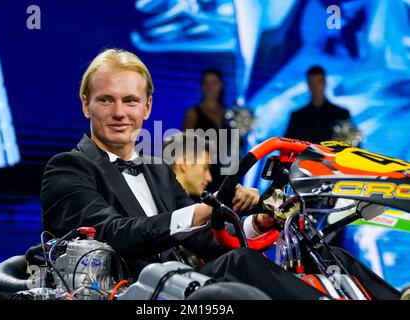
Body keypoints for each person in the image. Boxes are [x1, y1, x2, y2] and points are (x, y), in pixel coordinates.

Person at [41, 49, 399, 300]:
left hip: (187, 286)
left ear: (147, 107)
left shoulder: (157, 170)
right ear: (85, 102)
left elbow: (207, 240)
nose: (120, 112)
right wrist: (197, 213)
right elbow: (112, 234)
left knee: (317, 251)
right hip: (137, 292)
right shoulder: (68, 167)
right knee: (240, 263)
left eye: (130, 101)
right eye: (106, 100)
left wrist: (257, 223)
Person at [182, 69, 230, 192]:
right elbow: (186, 146)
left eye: (213, 82)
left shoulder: (230, 114)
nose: (210, 87)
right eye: (206, 83)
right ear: (202, 86)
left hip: (227, 174)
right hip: (203, 174)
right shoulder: (193, 114)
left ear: (221, 85)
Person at [284, 66, 353, 144]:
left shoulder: (341, 114)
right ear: (308, 85)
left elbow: (354, 148)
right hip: (305, 156)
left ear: (325, 83)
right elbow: (286, 148)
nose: (316, 87)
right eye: (312, 83)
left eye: (319, 82)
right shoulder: (297, 117)